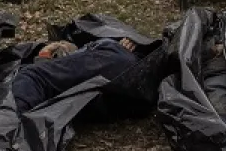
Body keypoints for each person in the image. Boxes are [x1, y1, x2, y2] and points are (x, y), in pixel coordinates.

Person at [11, 37, 139, 113]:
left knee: (30, 75)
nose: (60, 44)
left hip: (119, 59)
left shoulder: (98, 51)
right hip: (130, 82)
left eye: (61, 43)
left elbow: (39, 76)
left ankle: (11, 124)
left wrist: (44, 56)